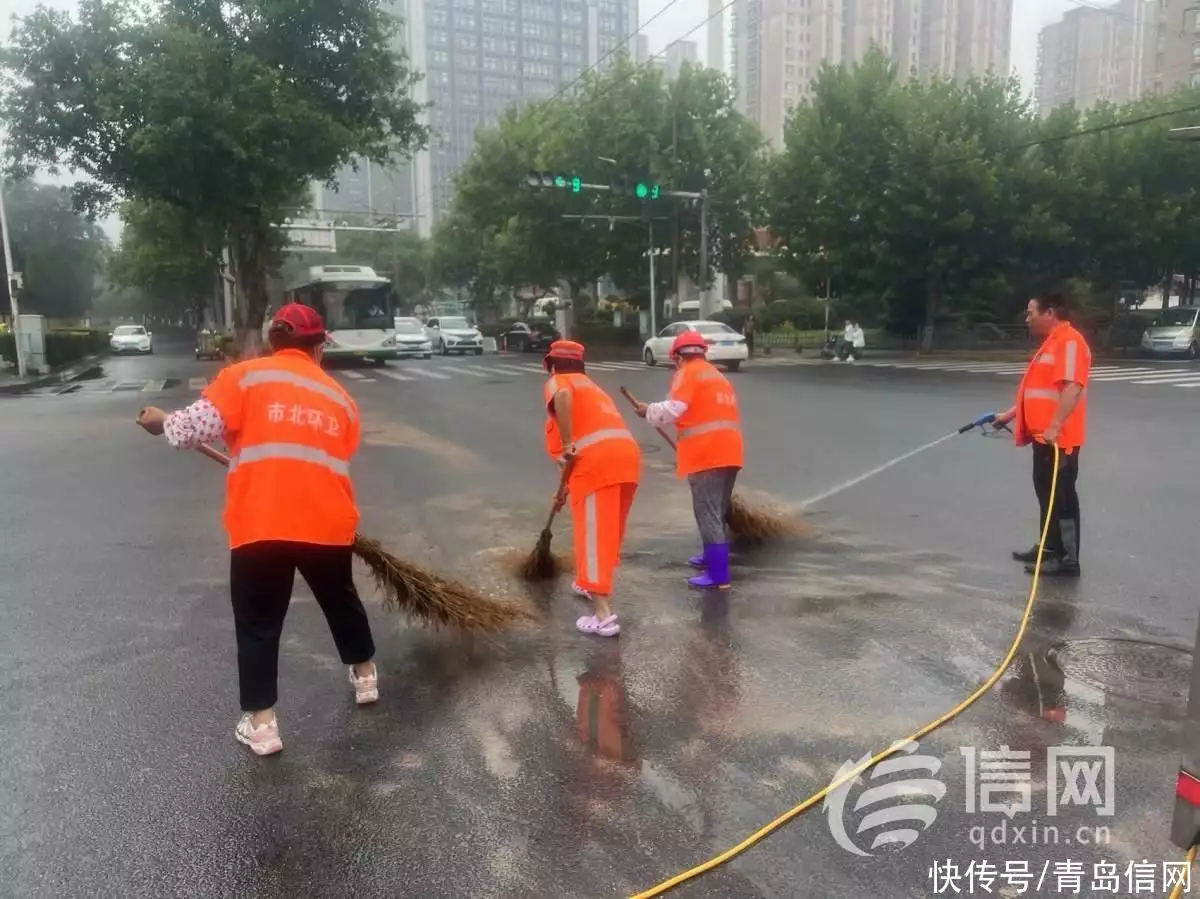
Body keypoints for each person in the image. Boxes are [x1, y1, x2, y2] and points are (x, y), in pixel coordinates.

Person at [135, 303, 379, 756]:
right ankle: (365, 676)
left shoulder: (245, 378)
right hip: (327, 521)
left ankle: (263, 726)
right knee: (340, 599)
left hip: (263, 522)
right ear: (320, 345)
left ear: (274, 341)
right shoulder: (341, 399)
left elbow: (190, 430)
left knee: (259, 624)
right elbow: (336, 451)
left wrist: (160, 423)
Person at [542, 340, 641, 636]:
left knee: (593, 537)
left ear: (552, 364)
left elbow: (560, 395)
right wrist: (563, 491)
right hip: (626, 460)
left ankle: (603, 616)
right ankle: (588, 583)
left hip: (596, 465)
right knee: (608, 531)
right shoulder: (592, 388)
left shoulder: (559, 381)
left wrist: (568, 442)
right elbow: (565, 464)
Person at [631, 330, 744, 589]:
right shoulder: (716, 375)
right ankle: (710, 556)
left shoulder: (688, 373)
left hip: (706, 454)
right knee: (718, 509)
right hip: (730, 451)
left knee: (707, 512)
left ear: (678, 357)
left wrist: (648, 411)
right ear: (701, 353)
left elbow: (674, 408)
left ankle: (718, 575)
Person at [992, 292, 1091, 578]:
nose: (1027, 318)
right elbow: (1037, 390)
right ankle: (1048, 548)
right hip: (1043, 438)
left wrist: (1056, 425)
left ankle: (1068, 559)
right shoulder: (1052, 343)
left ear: (1050, 312)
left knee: (1062, 497)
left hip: (1059, 440)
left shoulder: (1070, 342)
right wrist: (1010, 415)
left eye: (1031, 312)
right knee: (1046, 494)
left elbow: (1073, 387)